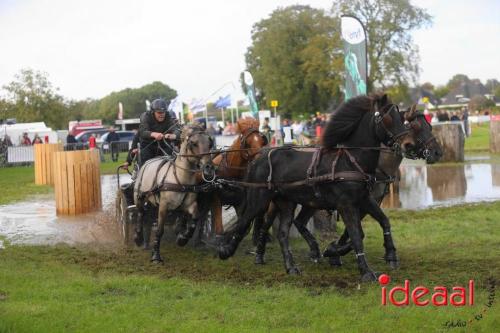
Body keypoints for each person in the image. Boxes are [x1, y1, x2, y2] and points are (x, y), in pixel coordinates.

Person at [138, 98, 180, 165]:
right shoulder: (146, 116)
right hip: (148, 145)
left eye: (163, 112)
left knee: (172, 159)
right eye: (159, 112)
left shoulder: (169, 116)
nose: (162, 114)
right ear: (153, 112)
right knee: (144, 160)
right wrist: (153, 134)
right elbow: (142, 132)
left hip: (163, 145)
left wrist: (173, 135)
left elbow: (177, 130)